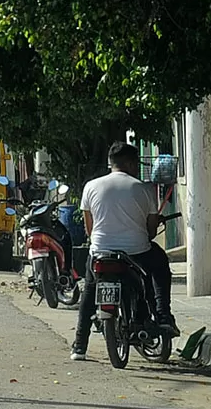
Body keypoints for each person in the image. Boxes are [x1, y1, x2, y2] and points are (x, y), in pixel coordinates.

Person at [71, 142, 176, 361]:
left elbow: (89, 228)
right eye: (135, 163)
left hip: (101, 252)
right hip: (136, 253)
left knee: (89, 294)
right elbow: (149, 230)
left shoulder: (91, 186)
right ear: (129, 163)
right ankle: (163, 315)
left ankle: (79, 346)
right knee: (160, 266)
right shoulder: (143, 188)